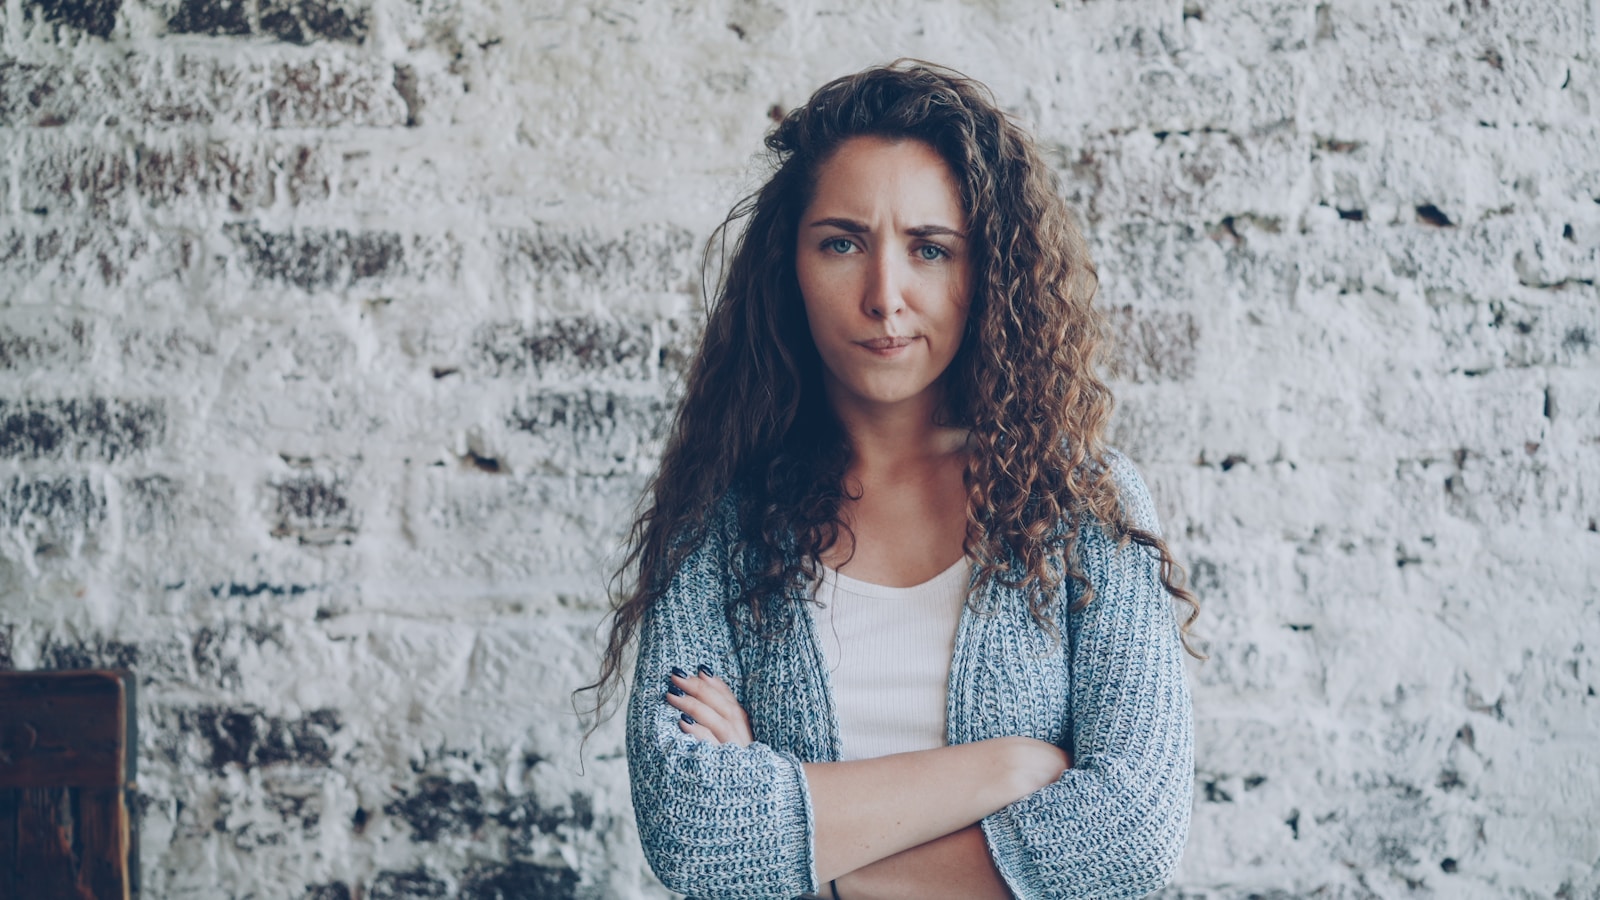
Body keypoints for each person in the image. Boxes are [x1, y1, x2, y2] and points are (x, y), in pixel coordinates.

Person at [585, 60, 1201, 900]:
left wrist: (823, 873)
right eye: (842, 242)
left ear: (987, 272)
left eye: (930, 249)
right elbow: (696, 837)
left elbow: (1132, 836)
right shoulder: (721, 523)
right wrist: (1005, 768)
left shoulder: (1082, 508)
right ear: (788, 265)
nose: (885, 295)